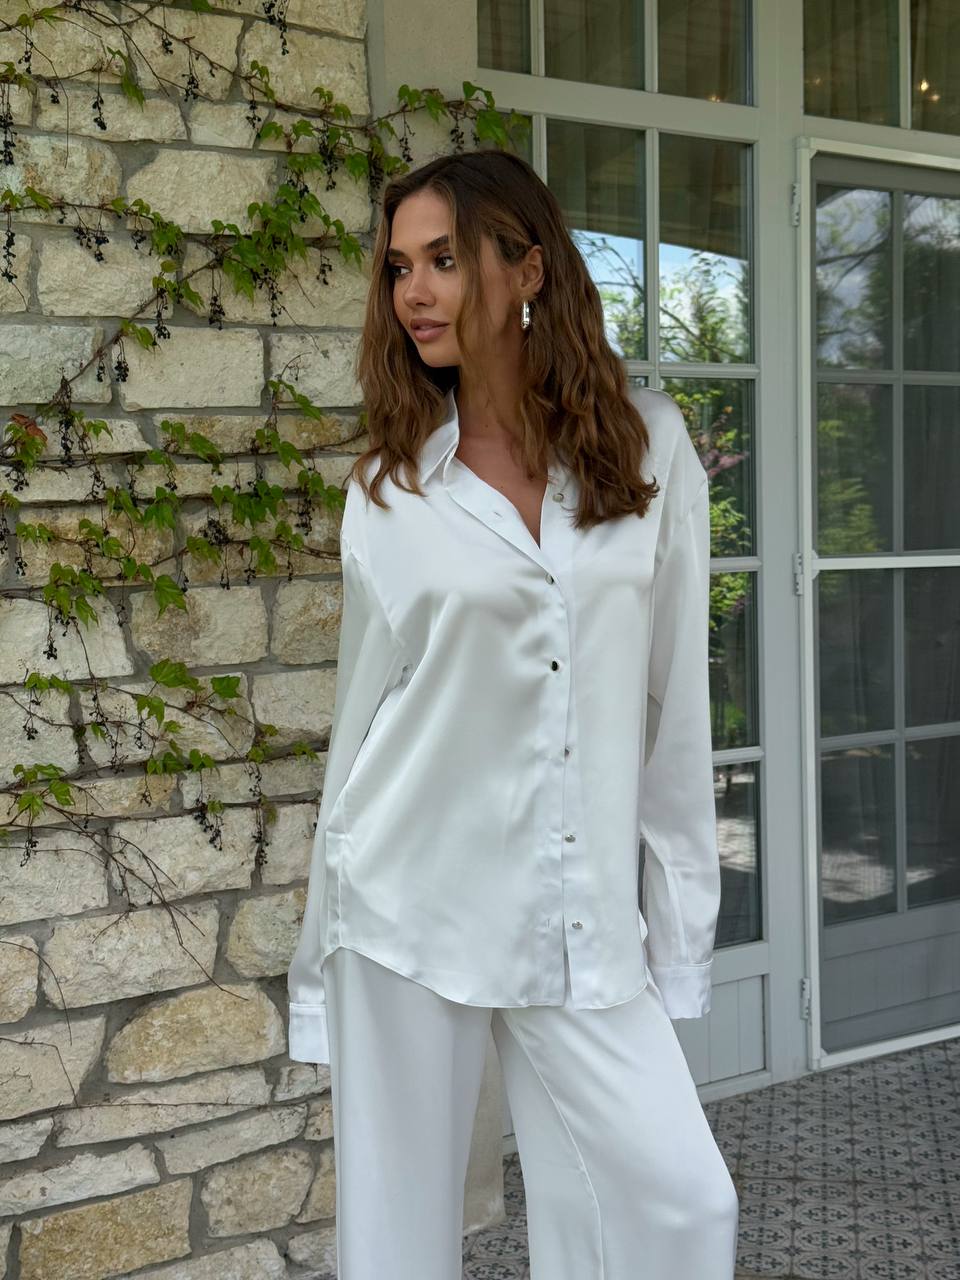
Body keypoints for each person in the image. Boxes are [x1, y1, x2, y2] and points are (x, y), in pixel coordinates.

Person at [286, 148, 739, 1280]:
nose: (417, 294)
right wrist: (312, 954)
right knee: (400, 1252)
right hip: (405, 906)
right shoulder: (389, 492)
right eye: (400, 269)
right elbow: (361, 722)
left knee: (681, 1207)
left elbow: (674, 711)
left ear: (527, 266)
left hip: (580, 920)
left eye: (444, 259)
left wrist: (677, 932)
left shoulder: (649, 445)